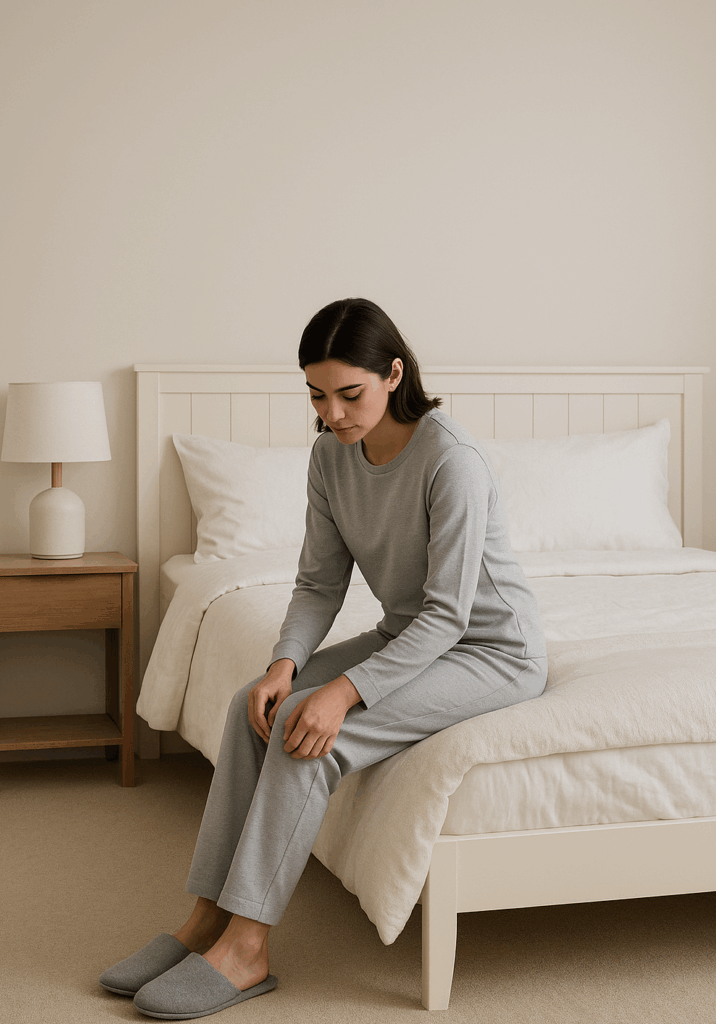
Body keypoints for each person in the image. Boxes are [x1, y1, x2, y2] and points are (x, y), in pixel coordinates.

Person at [100, 297, 548, 1019]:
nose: (333, 413)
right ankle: (205, 920)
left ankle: (247, 948)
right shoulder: (328, 458)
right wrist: (285, 664)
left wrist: (344, 692)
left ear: (393, 373)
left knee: (311, 729)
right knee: (261, 701)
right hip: (411, 636)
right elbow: (319, 581)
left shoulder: (450, 459)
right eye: (317, 394)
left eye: (351, 394)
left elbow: (450, 614)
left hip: (489, 650)